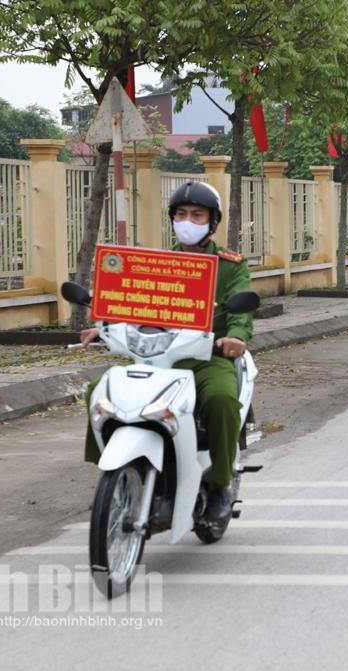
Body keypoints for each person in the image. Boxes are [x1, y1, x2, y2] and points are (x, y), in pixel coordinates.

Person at [80, 180, 254, 523]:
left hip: (206, 358)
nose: (187, 220)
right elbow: (129, 301)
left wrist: (235, 337)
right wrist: (102, 325)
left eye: (197, 214)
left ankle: (219, 486)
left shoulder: (230, 265)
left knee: (220, 400)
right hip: (156, 356)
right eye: (181, 214)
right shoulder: (157, 262)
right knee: (98, 392)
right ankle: (108, 477)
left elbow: (241, 312)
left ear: (212, 222)